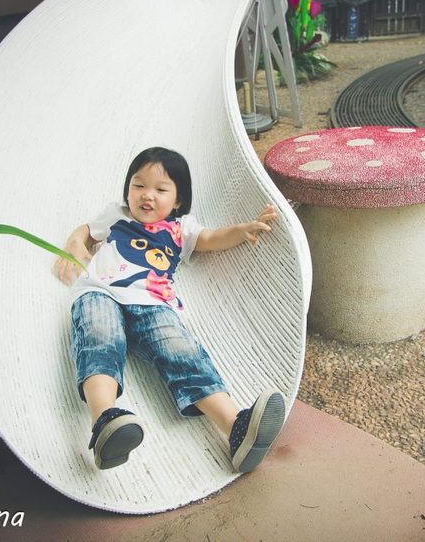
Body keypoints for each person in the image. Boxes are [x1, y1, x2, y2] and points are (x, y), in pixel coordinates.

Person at [53, 146, 285, 472]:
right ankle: (105, 421)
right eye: (138, 185)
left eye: (161, 189)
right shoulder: (117, 214)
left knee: (180, 348)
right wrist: (74, 243)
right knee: (99, 337)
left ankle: (236, 428)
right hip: (100, 293)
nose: (147, 195)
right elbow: (87, 231)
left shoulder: (181, 227)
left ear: (177, 200)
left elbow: (211, 238)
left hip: (154, 304)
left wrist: (243, 230)